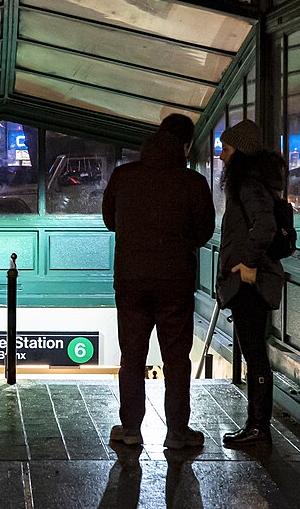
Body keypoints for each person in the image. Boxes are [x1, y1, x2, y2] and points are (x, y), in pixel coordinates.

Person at [102, 114, 215, 450]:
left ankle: (131, 429)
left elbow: (111, 220)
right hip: (175, 282)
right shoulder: (192, 182)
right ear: (185, 145)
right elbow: (204, 232)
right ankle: (178, 432)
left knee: (132, 356)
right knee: (177, 358)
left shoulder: (123, 176)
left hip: (131, 279)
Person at [214, 119, 287, 448]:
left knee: (255, 355)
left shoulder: (247, 185)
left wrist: (248, 263)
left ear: (240, 153)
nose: (221, 156)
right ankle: (257, 427)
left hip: (249, 284)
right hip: (249, 281)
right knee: (255, 353)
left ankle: (258, 429)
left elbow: (264, 225)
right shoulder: (256, 183)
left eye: (226, 150)